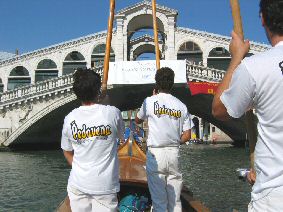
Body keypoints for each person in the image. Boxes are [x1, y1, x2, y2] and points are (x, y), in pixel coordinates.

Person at [212, 0, 283, 211]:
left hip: (274, 195)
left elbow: (219, 109)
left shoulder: (255, 68)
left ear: (262, 19)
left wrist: (237, 57)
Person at [61, 68, 125, 212]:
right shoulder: (113, 113)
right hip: (105, 185)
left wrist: (79, 168)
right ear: (97, 90)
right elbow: (121, 136)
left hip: (78, 183)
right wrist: (105, 102)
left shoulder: (69, 118)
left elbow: (67, 151)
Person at [135, 67, 192, 212]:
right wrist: (173, 140)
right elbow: (187, 135)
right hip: (174, 153)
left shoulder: (149, 101)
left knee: (159, 202)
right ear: (172, 84)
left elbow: (137, 120)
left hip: (156, 155)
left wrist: (152, 100)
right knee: (175, 202)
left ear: (156, 84)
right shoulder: (181, 106)